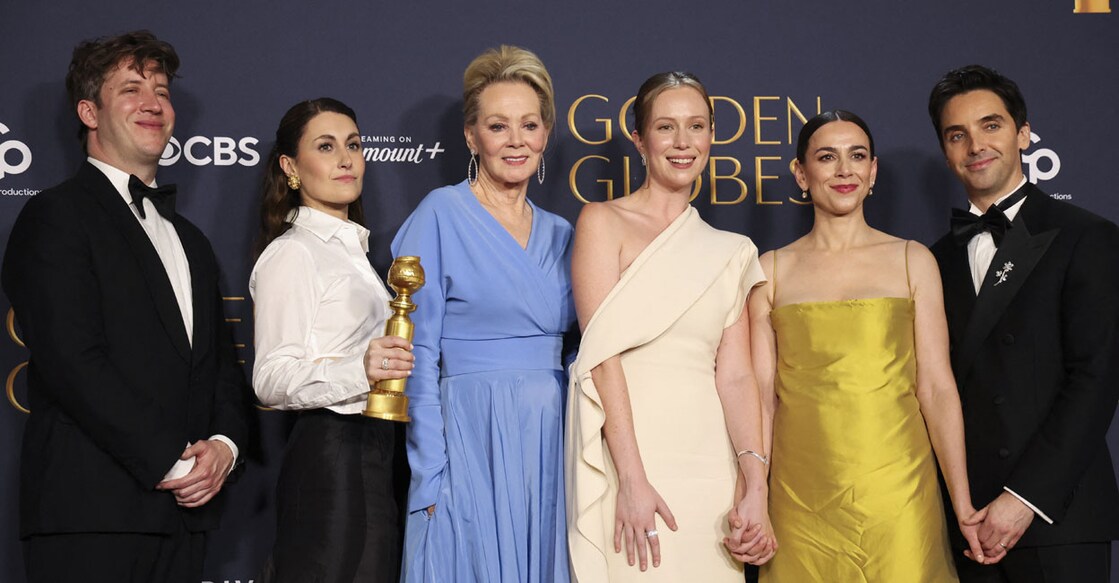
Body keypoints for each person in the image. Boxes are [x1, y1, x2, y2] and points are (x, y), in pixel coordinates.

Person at [1, 31, 251, 583]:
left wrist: (226, 448)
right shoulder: (55, 218)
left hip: (187, 520)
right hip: (90, 513)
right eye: (131, 89)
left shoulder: (190, 240)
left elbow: (221, 372)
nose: (153, 104)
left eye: (162, 91)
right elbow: (73, 362)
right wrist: (174, 460)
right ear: (88, 111)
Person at [745, 110, 984, 582]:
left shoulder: (912, 259)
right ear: (801, 173)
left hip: (900, 495)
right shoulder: (770, 271)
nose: (844, 170)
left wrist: (963, 505)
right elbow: (762, 398)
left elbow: (936, 388)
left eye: (857, 156)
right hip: (800, 499)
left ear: (873, 171)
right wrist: (754, 495)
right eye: (826, 157)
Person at [566, 71, 773, 583]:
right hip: (629, 458)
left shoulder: (732, 252)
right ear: (639, 139)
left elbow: (738, 379)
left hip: (709, 468)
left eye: (696, 126)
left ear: (710, 136)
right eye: (666, 127)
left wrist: (755, 484)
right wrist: (632, 479)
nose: (683, 143)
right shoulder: (601, 221)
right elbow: (601, 357)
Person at [927, 65, 1119, 582]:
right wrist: (962, 506)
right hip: (966, 525)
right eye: (957, 134)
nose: (975, 145)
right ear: (945, 150)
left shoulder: (1086, 236)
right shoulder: (932, 260)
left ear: (1023, 133)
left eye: (991, 125)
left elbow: (1096, 380)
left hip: (1058, 516)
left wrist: (1024, 499)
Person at [392, 45, 575, 583]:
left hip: (550, 442)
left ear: (545, 135)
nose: (516, 140)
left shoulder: (565, 235)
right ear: (472, 137)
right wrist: (430, 470)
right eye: (498, 126)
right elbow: (416, 353)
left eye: (529, 124)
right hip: (469, 436)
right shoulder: (440, 215)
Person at [249, 98, 414, 582]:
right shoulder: (292, 254)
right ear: (291, 166)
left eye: (354, 145)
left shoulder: (358, 256)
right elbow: (270, 379)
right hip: (330, 455)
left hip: (376, 449)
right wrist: (358, 369)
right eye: (326, 146)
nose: (345, 158)